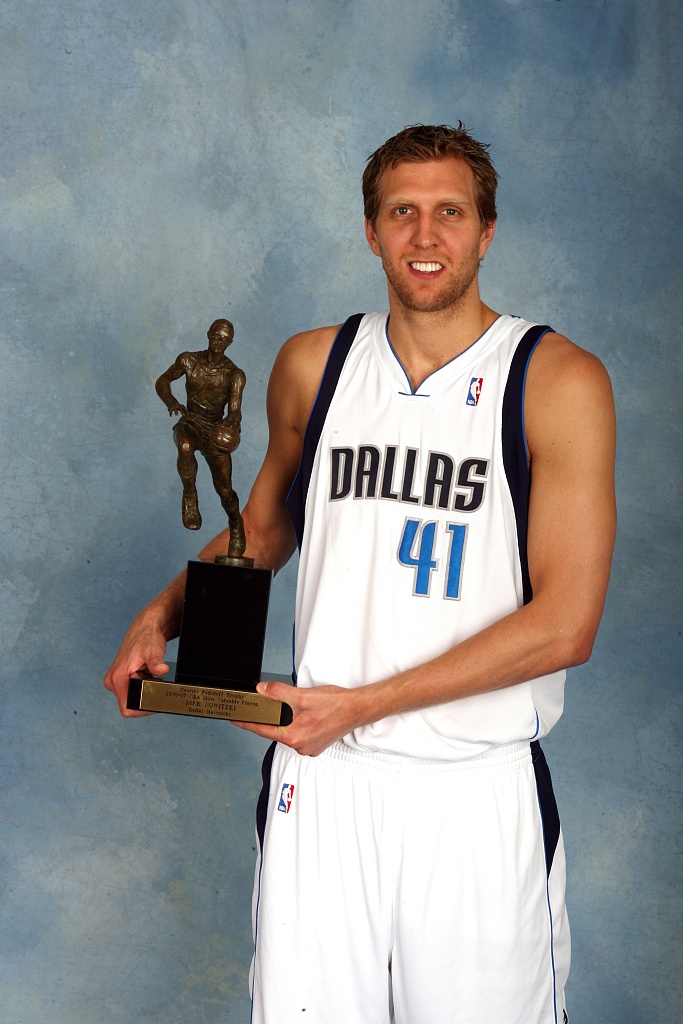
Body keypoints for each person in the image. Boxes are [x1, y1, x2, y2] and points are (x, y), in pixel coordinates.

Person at [104, 124, 616, 1023]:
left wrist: (363, 704)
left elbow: (566, 624)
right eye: (402, 212)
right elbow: (263, 527)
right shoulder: (315, 365)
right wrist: (160, 616)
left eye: (449, 212)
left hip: (469, 786)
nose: (425, 235)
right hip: (321, 779)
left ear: (487, 231)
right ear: (371, 231)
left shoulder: (553, 380)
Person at [155, 318, 247, 554]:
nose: (219, 342)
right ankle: (190, 495)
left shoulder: (234, 374)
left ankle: (236, 524)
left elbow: (235, 409)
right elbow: (163, 380)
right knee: (184, 445)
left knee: (225, 490)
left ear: (230, 343)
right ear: (208, 334)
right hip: (192, 422)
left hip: (215, 430)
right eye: (216, 336)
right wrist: (171, 401)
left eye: (225, 339)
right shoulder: (188, 360)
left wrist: (234, 420)